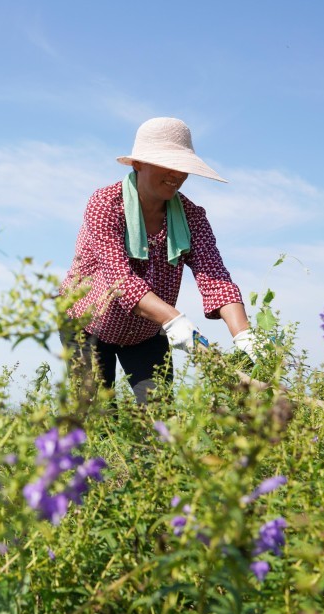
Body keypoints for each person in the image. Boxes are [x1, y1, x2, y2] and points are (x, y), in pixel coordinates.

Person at [60, 117, 260, 405]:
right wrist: (174, 320)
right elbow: (120, 280)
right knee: (96, 417)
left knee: (159, 420)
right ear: (137, 164)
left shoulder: (192, 217)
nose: (176, 174)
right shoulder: (106, 204)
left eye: (183, 167)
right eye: (166, 163)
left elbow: (215, 277)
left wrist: (244, 335)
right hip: (87, 325)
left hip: (145, 332)